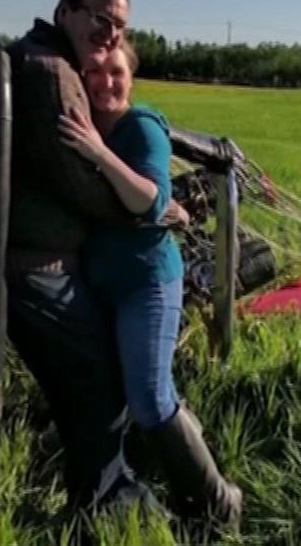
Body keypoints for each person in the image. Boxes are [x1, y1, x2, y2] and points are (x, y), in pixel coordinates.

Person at [58, 41, 244, 532]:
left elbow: (149, 199)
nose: (106, 82)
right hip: (102, 285)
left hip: (147, 282)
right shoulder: (76, 126)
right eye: (94, 71)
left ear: (132, 79)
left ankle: (219, 505)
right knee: (137, 391)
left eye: (116, 72)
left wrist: (98, 153)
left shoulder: (141, 127)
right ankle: (171, 475)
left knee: (148, 398)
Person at [4, 0, 147, 514]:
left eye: (121, 26)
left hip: (38, 261)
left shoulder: (43, 59)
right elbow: (81, 182)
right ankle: (106, 505)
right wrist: (148, 208)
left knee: (85, 384)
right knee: (97, 385)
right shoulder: (51, 74)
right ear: (65, 10)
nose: (110, 34)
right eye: (100, 18)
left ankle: (104, 489)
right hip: (40, 268)